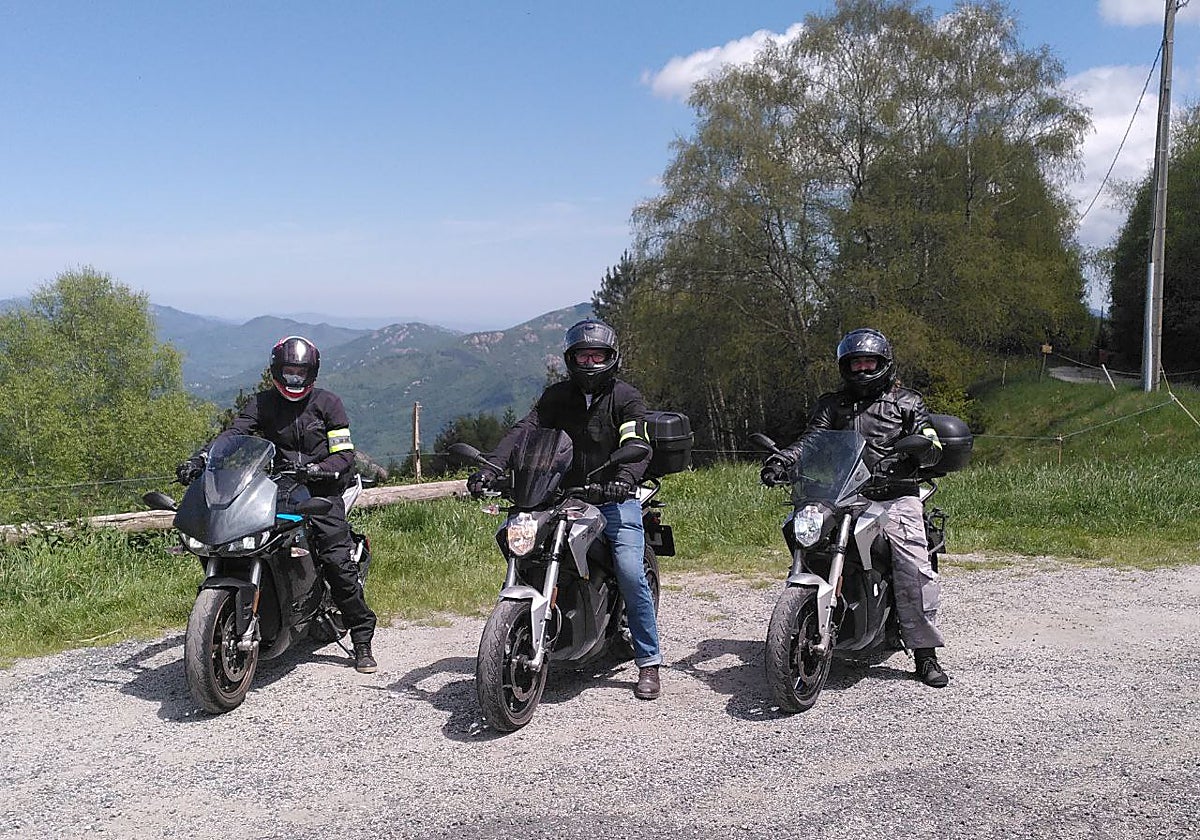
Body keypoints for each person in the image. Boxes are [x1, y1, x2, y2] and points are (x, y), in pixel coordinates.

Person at [467, 319, 664, 700]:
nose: (590, 363)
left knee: (628, 570)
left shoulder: (626, 397)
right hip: (561, 495)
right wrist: (491, 467)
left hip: (613, 497)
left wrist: (623, 478)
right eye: (582, 356)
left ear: (611, 358)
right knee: (526, 549)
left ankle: (649, 661)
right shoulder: (557, 396)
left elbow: (636, 442)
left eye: (597, 356)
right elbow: (524, 430)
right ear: (571, 359)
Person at [176, 335, 379, 674]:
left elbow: (344, 453)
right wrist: (202, 458)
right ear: (276, 371)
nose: (294, 379)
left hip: (323, 490)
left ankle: (361, 637)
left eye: (301, 372)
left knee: (336, 560)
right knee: (240, 536)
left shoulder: (329, 404)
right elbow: (233, 434)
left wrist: (319, 469)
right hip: (278, 487)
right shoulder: (261, 404)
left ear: (312, 373)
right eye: (289, 372)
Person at [759, 328, 950, 688]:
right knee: (807, 540)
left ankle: (925, 653)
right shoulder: (832, 405)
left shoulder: (908, 402)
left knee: (912, 568)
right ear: (845, 366)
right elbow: (813, 439)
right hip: (842, 492)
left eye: (869, 363)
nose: (862, 369)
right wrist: (784, 460)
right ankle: (802, 623)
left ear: (884, 364)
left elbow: (932, 443)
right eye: (855, 363)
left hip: (894, 495)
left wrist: (921, 450)